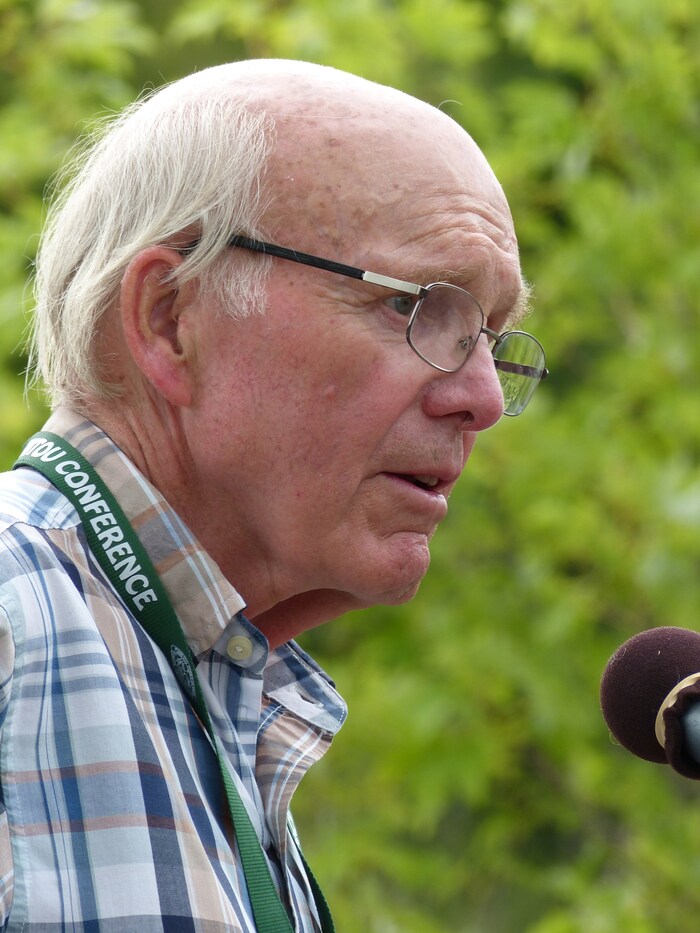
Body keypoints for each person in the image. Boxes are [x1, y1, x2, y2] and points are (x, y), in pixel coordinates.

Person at [0, 59, 547, 931]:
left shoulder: (220, 700)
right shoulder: (15, 620)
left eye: (493, 336)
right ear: (171, 318)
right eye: (422, 310)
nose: (481, 398)